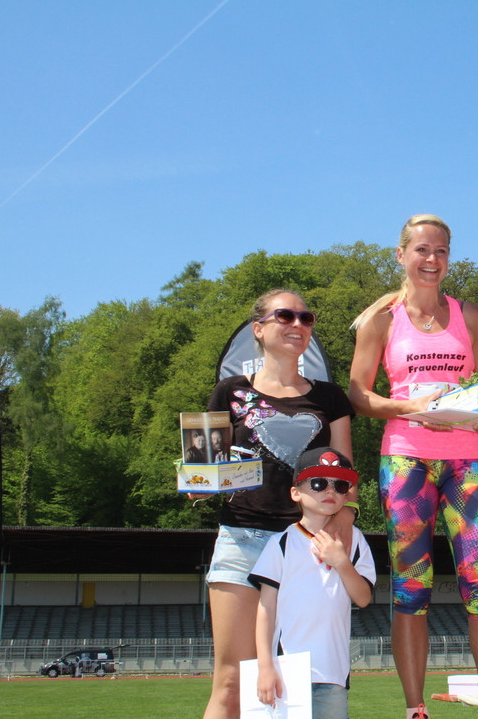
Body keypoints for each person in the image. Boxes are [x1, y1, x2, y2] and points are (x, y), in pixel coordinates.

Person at [348, 214, 478, 719]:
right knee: (411, 584)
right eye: (422, 250)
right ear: (401, 255)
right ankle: (416, 707)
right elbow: (358, 394)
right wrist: (415, 408)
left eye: (441, 251)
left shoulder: (470, 315)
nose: (432, 260)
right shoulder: (381, 319)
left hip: (468, 462)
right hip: (406, 460)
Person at [202, 289, 356, 719]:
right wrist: (198, 481)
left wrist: (345, 516)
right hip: (241, 538)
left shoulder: (330, 398)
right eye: (284, 315)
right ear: (259, 328)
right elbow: (207, 466)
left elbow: (347, 476)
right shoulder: (229, 391)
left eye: (306, 318)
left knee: (301, 685)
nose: (297, 324)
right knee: (232, 681)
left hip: (304, 548)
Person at [250, 447, 375, 719]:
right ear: (296, 492)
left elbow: (363, 598)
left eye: (340, 485)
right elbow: (266, 608)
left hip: (333, 674)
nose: (330, 491)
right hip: (286, 672)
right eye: (318, 483)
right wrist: (265, 666)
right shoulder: (281, 543)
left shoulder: (354, 541)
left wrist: (342, 562)